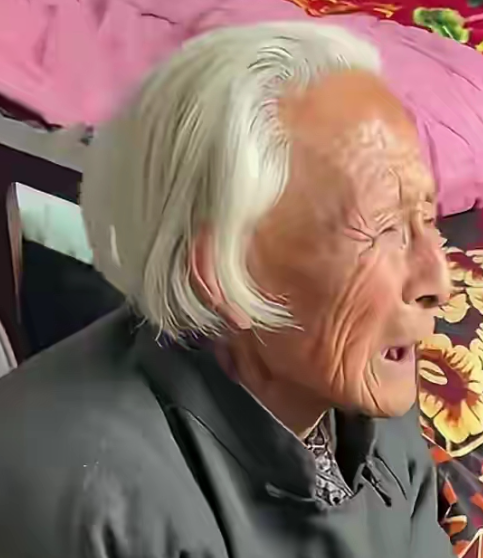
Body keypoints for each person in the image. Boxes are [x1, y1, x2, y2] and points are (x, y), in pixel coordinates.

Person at [0, 22, 453, 557]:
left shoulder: (361, 392)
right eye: (383, 231)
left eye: (427, 219)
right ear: (226, 271)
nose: (438, 282)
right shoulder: (85, 506)